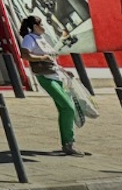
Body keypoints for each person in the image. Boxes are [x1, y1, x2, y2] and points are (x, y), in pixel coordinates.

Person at [19, 16, 84, 156]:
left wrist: (64, 70)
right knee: (68, 107)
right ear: (34, 26)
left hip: (56, 75)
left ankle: (67, 142)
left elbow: (52, 59)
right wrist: (42, 58)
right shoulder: (29, 38)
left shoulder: (43, 39)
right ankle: (68, 143)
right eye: (40, 24)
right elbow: (24, 55)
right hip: (45, 77)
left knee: (64, 108)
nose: (43, 26)